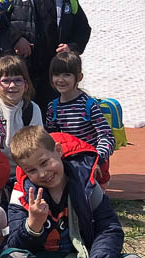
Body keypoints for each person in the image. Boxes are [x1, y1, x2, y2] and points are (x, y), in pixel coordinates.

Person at [0, 126, 145, 258]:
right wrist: (32, 226)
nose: (42, 174)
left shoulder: (86, 184)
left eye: (45, 162)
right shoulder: (23, 194)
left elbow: (109, 229)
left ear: (58, 151)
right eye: (32, 170)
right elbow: (13, 244)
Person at [6, 0, 91, 111]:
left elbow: (83, 28)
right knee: (24, 111)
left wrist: (72, 47)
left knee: (53, 112)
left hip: (55, 70)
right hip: (22, 69)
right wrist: (16, 39)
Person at [44, 51, 113, 184]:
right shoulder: (53, 107)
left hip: (92, 160)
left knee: (93, 192)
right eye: (56, 74)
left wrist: (97, 158)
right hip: (69, 159)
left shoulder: (89, 105)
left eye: (67, 75)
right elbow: (52, 137)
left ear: (79, 77)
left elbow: (106, 136)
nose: (61, 79)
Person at [0, 55, 43, 187]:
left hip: (25, 170)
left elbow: (37, 146)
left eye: (18, 80)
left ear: (26, 85)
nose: (12, 85)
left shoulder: (32, 109)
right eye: (6, 81)